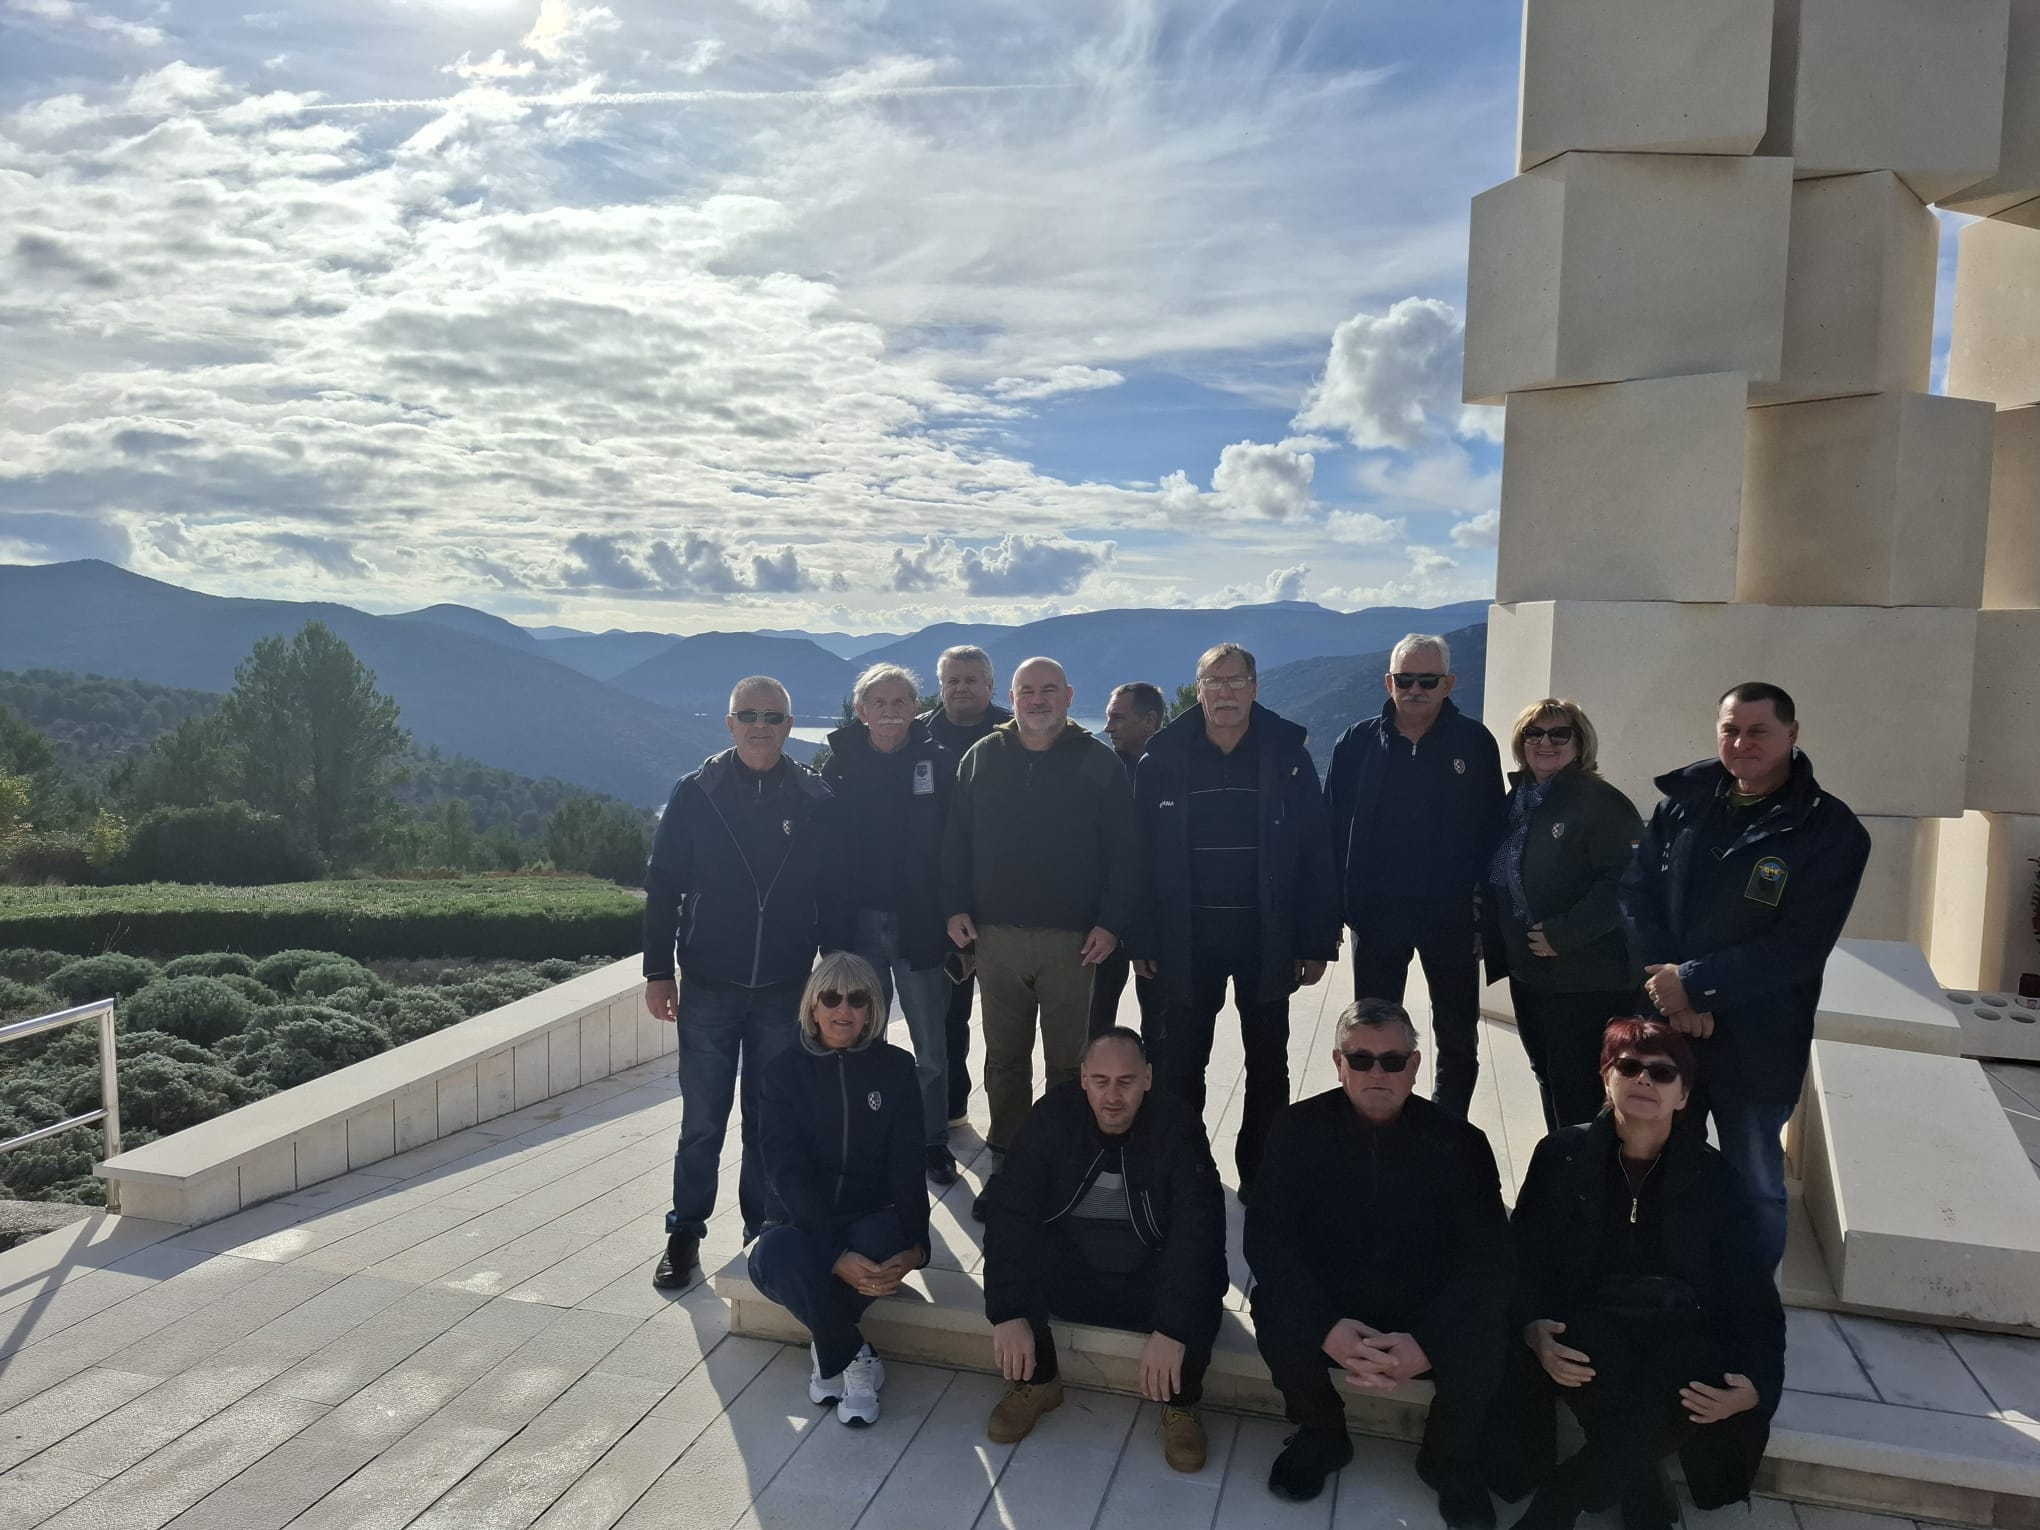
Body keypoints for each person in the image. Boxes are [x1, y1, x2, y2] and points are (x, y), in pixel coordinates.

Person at [1496, 1019, 1785, 1530]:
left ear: (1683, 1095)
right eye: (1628, 1067)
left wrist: (1757, 1386)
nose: (1644, 1079)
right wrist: (1531, 1327)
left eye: (1663, 1072)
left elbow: (1751, 1294)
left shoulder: (1716, 1177)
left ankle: (1561, 1499)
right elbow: (1522, 1259)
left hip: (1681, 1332)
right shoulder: (1561, 1156)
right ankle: (1641, 1484)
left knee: (1691, 1371)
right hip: (1591, 1324)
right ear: (1606, 1079)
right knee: (1583, 1347)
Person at [1620, 682, 1869, 1273]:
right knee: (1659, 1163)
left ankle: (1749, 1304)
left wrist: (1696, 984)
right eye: (1730, 729)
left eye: (1758, 731)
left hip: (1761, 1037)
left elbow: (1800, 945)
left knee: (1753, 1179)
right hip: (1671, 1030)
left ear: (1792, 734)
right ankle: (1661, 1285)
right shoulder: (1682, 805)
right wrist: (1673, 994)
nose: (1741, 743)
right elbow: (1636, 897)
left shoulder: (1831, 830)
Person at [1245, 998, 1510, 1519]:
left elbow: (1490, 1258)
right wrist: (1324, 1326)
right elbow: (1267, 1239)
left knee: (1485, 1330)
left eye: (1392, 1060)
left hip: (1422, 1305)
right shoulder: (1296, 1129)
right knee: (1275, 1308)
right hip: (1335, 1302)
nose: (1377, 1073)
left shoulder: (1461, 1143)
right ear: (1338, 1063)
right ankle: (1322, 1432)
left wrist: (1430, 1341)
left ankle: (1447, 1457)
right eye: (1360, 1059)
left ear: (1414, 1066)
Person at [642, 676, 849, 1289]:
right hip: (709, 983)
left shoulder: (816, 799)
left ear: (789, 725)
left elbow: (833, 893)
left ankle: (762, 1232)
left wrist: (832, 978)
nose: (762, 726)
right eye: (750, 715)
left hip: (786, 987)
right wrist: (658, 971)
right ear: (730, 723)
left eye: (774, 716)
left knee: (769, 1120)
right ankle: (685, 1232)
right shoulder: (695, 793)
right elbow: (663, 886)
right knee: (702, 1121)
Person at [1129, 643, 1338, 1199]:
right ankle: (1186, 1170)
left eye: (1236, 680)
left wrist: (1316, 940)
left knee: (1268, 1062)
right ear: (1198, 691)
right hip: (1185, 941)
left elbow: (1317, 850)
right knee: (1180, 1064)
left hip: (1267, 939)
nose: (1225, 692)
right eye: (1213, 682)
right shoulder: (1162, 761)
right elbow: (1138, 857)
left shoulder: (1287, 758)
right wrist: (1142, 937)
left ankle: (1262, 1172)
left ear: (1255, 687)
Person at [979, 1027, 1226, 1472]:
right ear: (1083, 1079)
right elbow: (1009, 1211)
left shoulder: (1177, 1126)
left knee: (1202, 1275)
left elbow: (1200, 1230)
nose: (1113, 1096)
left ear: (1147, 1078)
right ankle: (1039, 1382)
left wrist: (1174, 1329)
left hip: (1147, 1272)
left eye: (1126, 1081)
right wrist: (1008, 1311)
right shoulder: (1052, 1118)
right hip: (1074, 1270)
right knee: (1021, 1247)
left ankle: (1182, 1402)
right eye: (1100, 1081)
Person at [942, 657, 1138, 1182]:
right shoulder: (982, 757)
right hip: (995, 935)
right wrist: (954, 905)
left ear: (1069, 696)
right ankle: (1007, 1162)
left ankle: (1063, 1163)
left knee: (1070, 1064)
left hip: (1074, 940)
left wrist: (1111, 923)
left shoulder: (1098, 762)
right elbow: (956, 839)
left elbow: (1125, 853)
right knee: (1004, 1059)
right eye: (1027, 691)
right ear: (1011, 698)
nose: (1038, 700)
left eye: (1049, 689)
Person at [1326, 634, 1506, 1121]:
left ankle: (1446, 1134)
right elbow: (1330, 832)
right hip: (1375, 917)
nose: (1415, 690)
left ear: (1449, 683)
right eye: (1405, 679)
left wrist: (1486, 917)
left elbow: (1494, 832)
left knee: (1457, 1036)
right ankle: (1376, 1128)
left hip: (1452, 916)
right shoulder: (1356, 743)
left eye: (1428, 680)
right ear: (1389, 682)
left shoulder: (1475, 743)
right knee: (1372, 1038)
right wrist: (1332, 913)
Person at [748, 953, 932, 1428]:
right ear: (813, 1007)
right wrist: (833, 1255)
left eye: (857, 998)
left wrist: (918, 1246)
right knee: (776, 1256)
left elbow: (908, 1164)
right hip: (799, 1224)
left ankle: (827, 1342)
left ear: (872, 1010)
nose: (843, 1009)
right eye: (831, 998)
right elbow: (785, 1172)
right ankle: (851, 1354)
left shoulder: (895, 1068)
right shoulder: (783, 1072)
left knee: (883, 1243)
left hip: (865, 1221)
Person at [821, 663, 961, 1186]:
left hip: (920, 924)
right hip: (857, 925)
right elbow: (821, 851)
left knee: (931, 1047)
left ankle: (932, 1141)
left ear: (916, 708)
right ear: (861, 711)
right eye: (878, 702)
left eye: (900, 701)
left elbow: (956, 845)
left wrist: (956, 913)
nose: (889, 711)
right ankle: (870, 1138)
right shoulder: (839, 765)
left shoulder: (939, 763)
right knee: (861, 1038)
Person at [1485, 699, 1644, 1130]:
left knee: (1581, 1087)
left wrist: (1565, 933)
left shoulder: (1600, 802)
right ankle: (1562, 1158)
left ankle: (1587, 1167)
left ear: (1580, 743)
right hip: (1530, 972)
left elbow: (1627, 881)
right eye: (1534, 733)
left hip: (1586, 975)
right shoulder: (1516, 802)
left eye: (1559, 734)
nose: (1546, 742)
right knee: (1548, 1073)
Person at [925, 645, 1012, 1128]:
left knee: (1007, 1021)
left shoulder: (1014, 734)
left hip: (1005, 902)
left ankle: (1010, 1120)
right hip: (941, 904)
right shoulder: (919, 735)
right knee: (948, 1016)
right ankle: (951, 1110)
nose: (961, 688)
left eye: (971, 679)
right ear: (941, 686)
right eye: (953, 680)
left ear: (990, 686)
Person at [1091, 681, 1166, 1040]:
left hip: (1158, 924)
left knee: (1161, 1031)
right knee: (1093, 1028)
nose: (1108, 728)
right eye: (1107, 718)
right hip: (1102, 925)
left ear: (1149, 720)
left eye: (1118, 718)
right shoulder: (1098, 772)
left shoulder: (1175, 773)